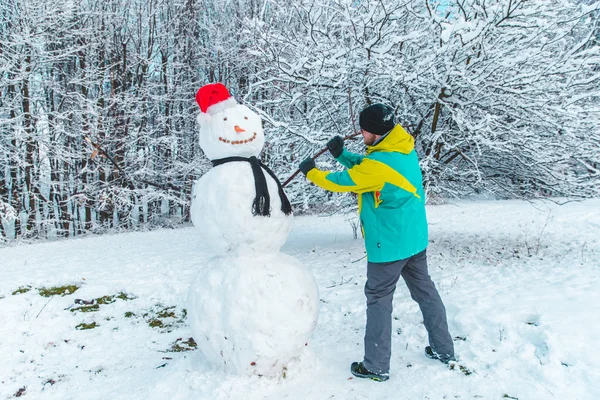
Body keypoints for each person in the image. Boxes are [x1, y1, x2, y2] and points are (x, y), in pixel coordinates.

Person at [298, 104, 455, 382]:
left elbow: (343, 182)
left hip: (389, 245)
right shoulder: (402, 146)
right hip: (414, 238)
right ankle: (444, 350)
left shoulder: (379, 163)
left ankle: (376, 365)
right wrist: (343, 154)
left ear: (376, 131)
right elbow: (371, 168)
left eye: (364, 128)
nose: (361, 132)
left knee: (379, 299)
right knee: (426, 293)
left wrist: (312, 173)